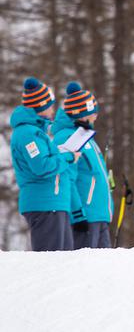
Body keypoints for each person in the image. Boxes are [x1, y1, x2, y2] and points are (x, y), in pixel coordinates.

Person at [9, 77, 81, 251]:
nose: (52, 109)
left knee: (62, 264)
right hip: (44, 204)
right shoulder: (28, 134)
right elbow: (42, 166)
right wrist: (68, 158)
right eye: (49, 105)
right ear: (40, 106)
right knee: (52, 265)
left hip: (53, 204)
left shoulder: (36, 132)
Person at [52, 82, 113, 249]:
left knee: (104, 270)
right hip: (86, 216)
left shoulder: (87, 138)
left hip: (100, 214)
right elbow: (66, 179)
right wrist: (77, 214)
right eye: (93, 112)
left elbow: (92, 173)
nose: (96, 116)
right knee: (85, 270)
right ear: (83, 114)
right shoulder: (68, 137)